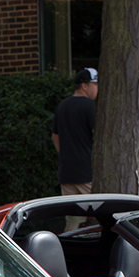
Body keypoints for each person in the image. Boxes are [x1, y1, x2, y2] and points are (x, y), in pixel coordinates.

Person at [53, 67, 98, 195]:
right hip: (87, 173)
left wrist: (66, 155)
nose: (97, 88)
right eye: (94, 84)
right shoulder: (90, 106)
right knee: (95, 210)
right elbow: (96, 135)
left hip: (66, 173)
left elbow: (55, 136)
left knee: (72, 214)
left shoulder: (62, 106)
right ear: (84, 86)